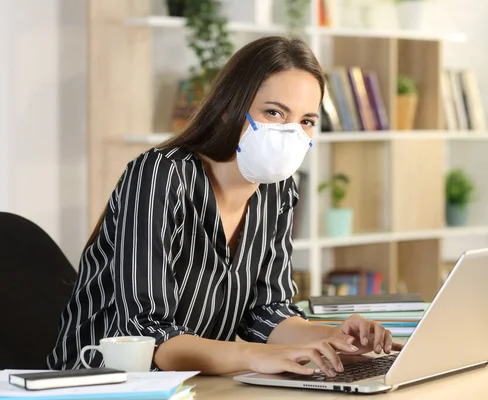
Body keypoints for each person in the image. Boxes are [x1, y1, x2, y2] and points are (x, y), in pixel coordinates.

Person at [47, 36, 402, 377]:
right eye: (274, 113)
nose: (291, 132)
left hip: (193, 383)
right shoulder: (161, 174)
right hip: (101, 382)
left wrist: (329, 338)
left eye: (306, 121)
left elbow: (266, 312)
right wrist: (255, 356)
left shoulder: (278, 191)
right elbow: (147, 334)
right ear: (228, 110)